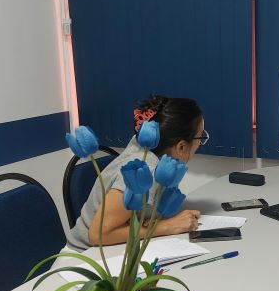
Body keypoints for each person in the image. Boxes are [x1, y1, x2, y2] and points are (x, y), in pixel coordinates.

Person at [66, 95, 208, 251]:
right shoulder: (144, 170)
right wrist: (166, 226)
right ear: (181, 147)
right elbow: (98, 235)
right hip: (84, 258)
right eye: (200, 137)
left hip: (113, 249)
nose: (200, 143)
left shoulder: (145, 146)